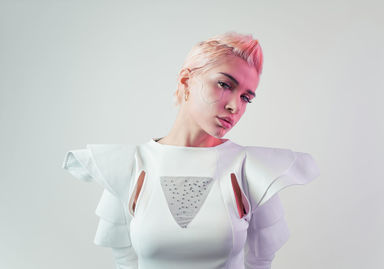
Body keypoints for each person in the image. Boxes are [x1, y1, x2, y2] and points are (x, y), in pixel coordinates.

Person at [62, 31, 320, 269]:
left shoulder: (253, 170)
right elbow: (125, 261)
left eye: (246, 97)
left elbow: (260, 262)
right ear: (186, 80)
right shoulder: (127, 167)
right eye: (225, 84)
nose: (235, 106)